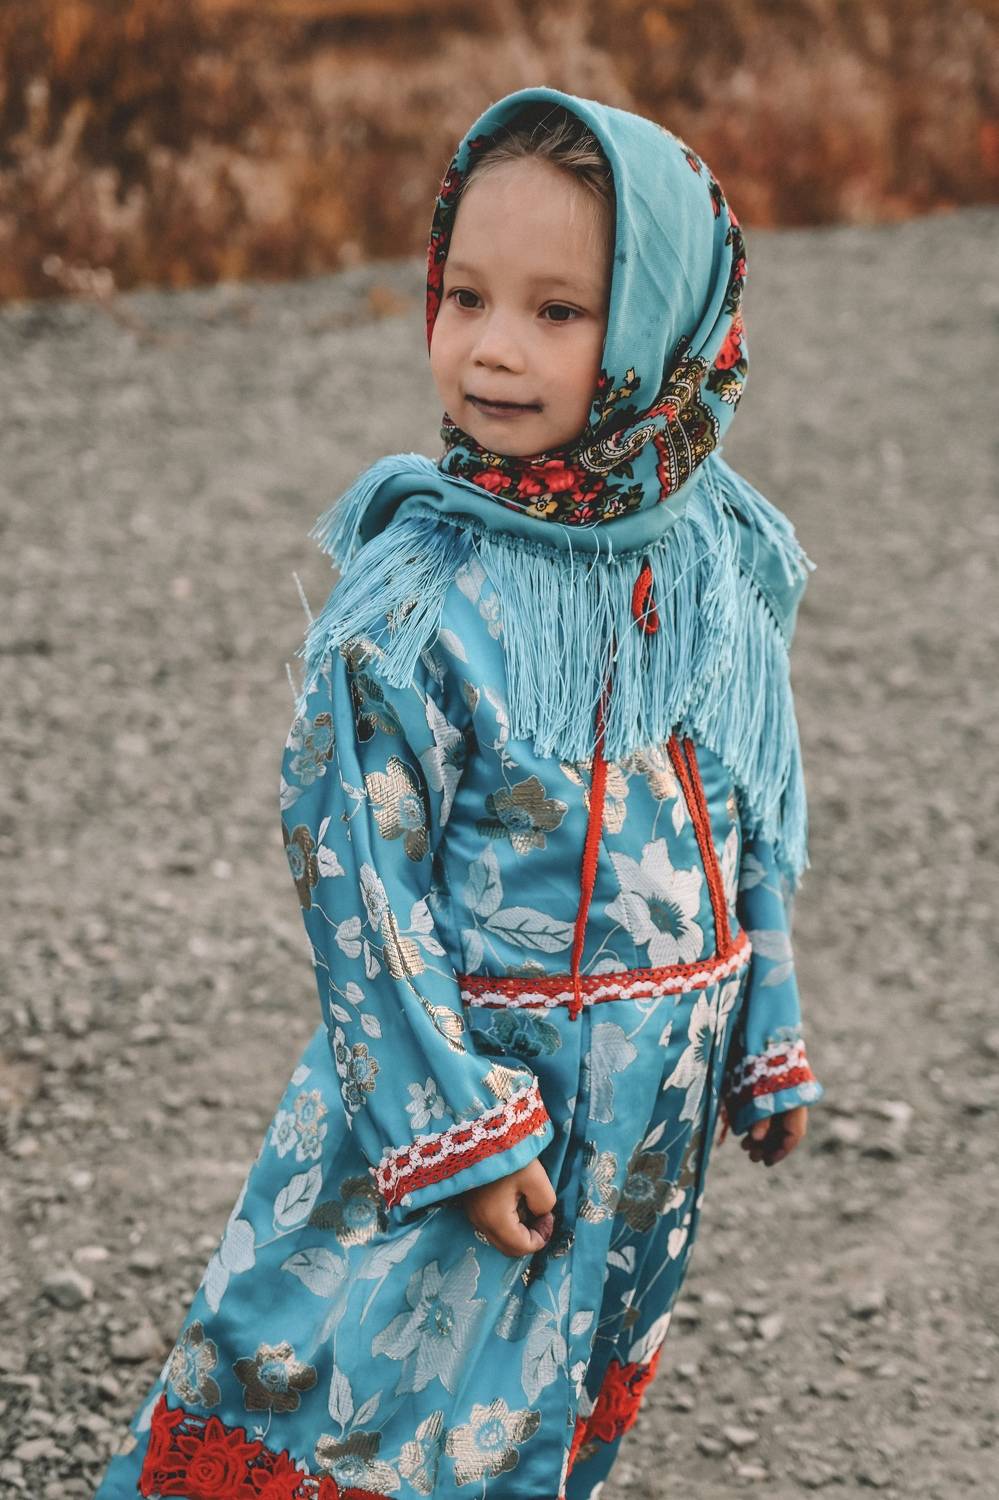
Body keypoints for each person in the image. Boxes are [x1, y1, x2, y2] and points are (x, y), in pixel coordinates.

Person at [93, 86, 824, 1500]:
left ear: (668, 328)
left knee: (554, 1416)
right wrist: (458, 1133)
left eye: (560, 311)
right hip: (477, 1093)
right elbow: (359, 883)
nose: (492, 347)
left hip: (647, 1118)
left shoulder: (712, 556)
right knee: (365, 1404)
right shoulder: (419, 599)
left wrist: (767, 1024)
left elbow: (742, 806)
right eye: (467, 295)